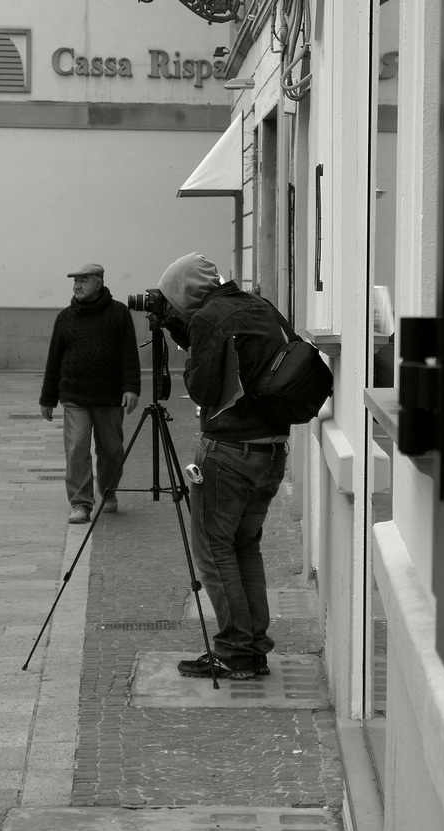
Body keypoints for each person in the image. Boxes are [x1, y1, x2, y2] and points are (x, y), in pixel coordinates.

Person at [157, 252, 291, 681]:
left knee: (215, 550)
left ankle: (234, 651)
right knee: (244, 546)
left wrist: (187, 347)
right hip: (271, 449)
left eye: (172, 300)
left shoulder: (209, 319)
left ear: (185, 293)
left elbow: (204, 387)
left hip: (229, 451)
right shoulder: (259, 305)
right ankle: (253, 649)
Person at [39, 262, 141, 524]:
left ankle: (108, 490)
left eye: (83, 280)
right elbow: (54, 360)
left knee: (111, 449)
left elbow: (129, 354)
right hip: (75, 396)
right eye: (75, 281)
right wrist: (48, 399)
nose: (77, 285)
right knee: (77, 448)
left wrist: (131, 388)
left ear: (99, 282)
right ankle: (81, 503)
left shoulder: (119, 314)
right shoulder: (65, 318)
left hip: (109, 397)